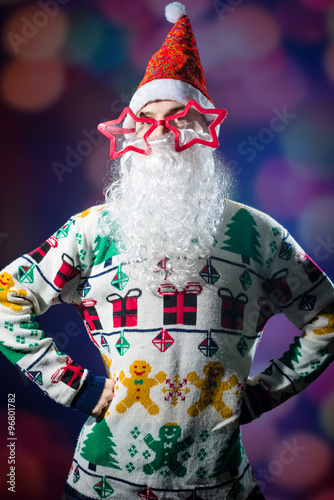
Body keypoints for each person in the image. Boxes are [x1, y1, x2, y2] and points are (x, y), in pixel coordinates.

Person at [1, 3, 333, 499]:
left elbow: (326, 315)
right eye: (147, 120)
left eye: (176, 118)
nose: (160, 134)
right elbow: (7, 297)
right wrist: (74, 385)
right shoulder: (92, 231)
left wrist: (265, 394)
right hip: (102, 487)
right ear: (129, 136)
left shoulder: (257, 233)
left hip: (223, 488)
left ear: (203, 129)